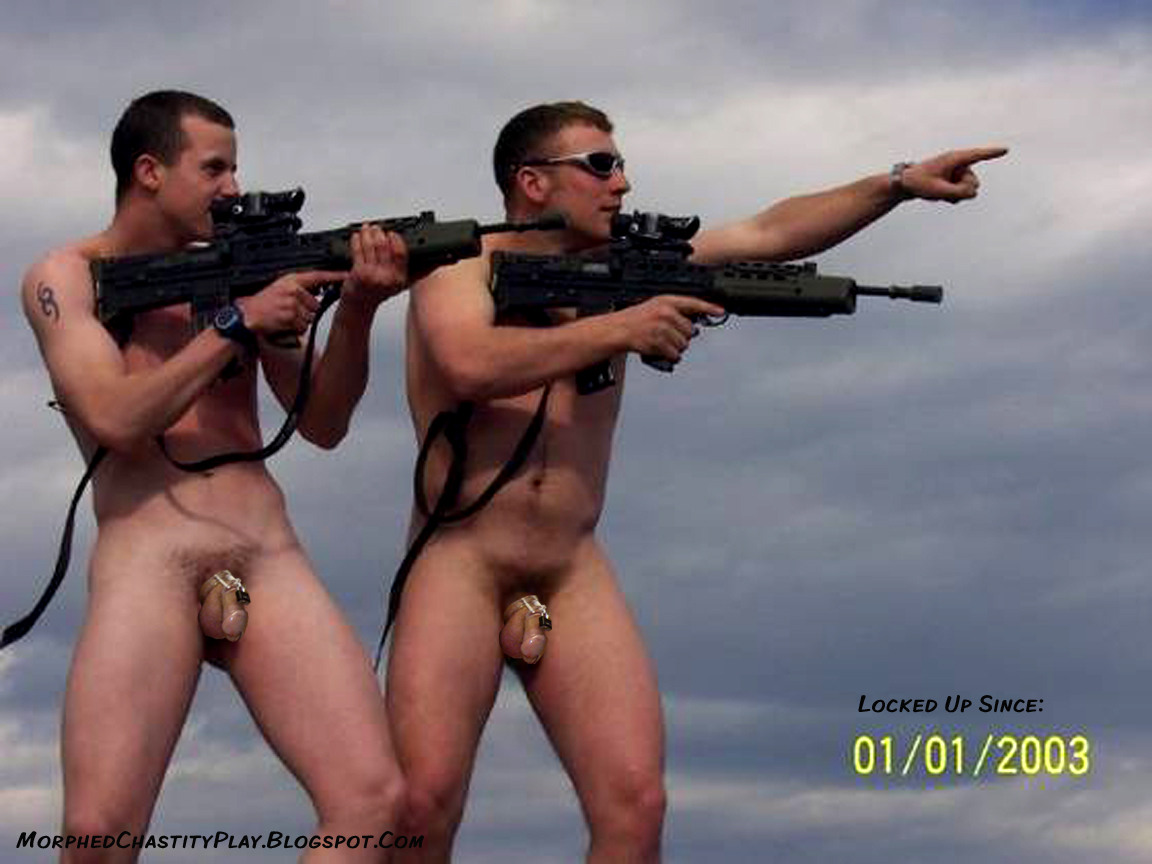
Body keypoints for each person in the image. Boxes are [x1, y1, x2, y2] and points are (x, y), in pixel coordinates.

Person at [385, 100, 1006, 862]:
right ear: (532, 182)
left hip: (569, 563)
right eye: (600, 165)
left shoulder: (627, 266)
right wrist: (623, 327)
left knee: (636, 806)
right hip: (461, 556)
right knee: (422, 803)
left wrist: (898, 184)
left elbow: (770, 234)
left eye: (620, 165)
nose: (622, 183)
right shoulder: (458, 265)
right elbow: (468, 364)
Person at [20, 90, 408, 863]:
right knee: (98, 834)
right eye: (214, 168)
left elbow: (324, 421)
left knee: (373, 800)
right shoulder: (64, 276)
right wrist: (237, 322)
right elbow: (116, 419)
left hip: (264, 550)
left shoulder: (246, 270)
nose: (233, 188)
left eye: (235, 169)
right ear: (149, 172)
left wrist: (360, 309)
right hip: (147, 554)